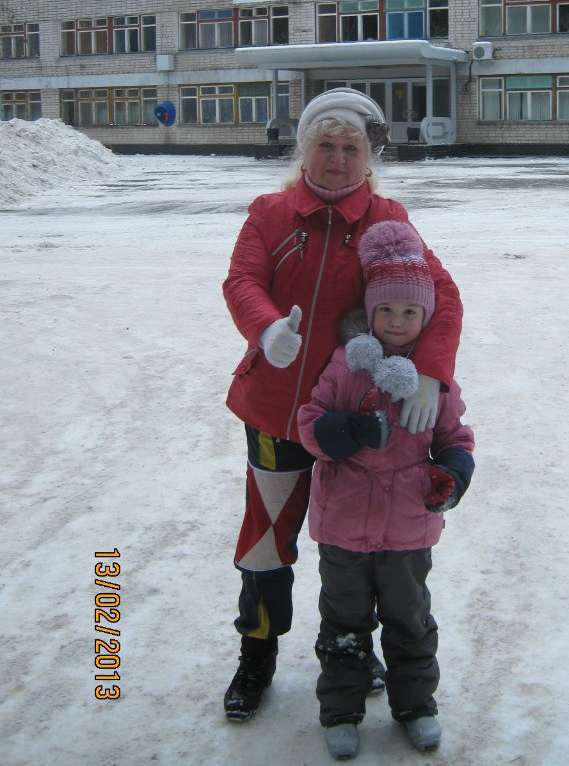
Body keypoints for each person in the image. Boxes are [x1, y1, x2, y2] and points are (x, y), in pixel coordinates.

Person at [221, 88, 463, 723]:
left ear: (368, 156)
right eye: (324, 145)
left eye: (349, 146)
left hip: (357, 419)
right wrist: (266, 327)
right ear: (304, 151)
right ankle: (257, 653)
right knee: (269, 540)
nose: (336, 158)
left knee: (361, 544)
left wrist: (432, 375)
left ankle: (349, 648)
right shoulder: (271, 213)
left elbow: (443, 295)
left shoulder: (389, 218)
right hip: (277, 412)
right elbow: (241, 280)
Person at [297, 220, 475, 760]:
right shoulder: (344, 367)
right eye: (387, 311)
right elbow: (310, 422)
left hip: (407, 529)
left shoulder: (431, 380)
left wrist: (454, 471)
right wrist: (340, 431)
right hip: (344, 527)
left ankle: (416, 704)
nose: (397, 323)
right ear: (370, 313)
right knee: (344, 622)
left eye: (411, 312)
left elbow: (455, 435)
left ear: (425, 317)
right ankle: (342, 709)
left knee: (409, 620)